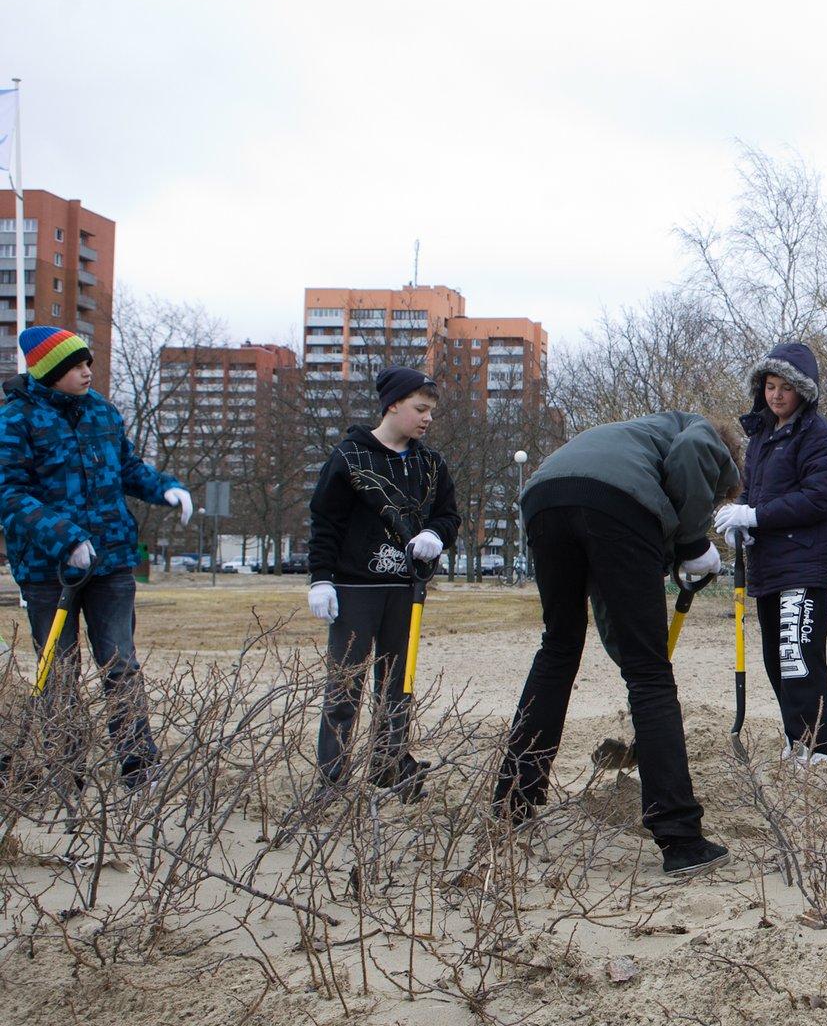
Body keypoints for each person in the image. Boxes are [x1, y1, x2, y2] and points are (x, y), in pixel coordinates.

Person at [495, 410, 737, 877]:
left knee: (559, 648)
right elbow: (694, 456)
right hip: (611, 506)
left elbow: (610, 602)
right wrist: (692, 543)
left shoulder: (632, 441)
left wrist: (632, 653)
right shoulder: (706, 435)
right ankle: (680, 838)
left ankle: (513, 803)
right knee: (651, 674)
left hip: (544, 500)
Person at [0, 327, 193, 785]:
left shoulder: (102, 412)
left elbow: (126, 467)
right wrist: (64, 537)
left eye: (88, 363)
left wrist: (164, 487)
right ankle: (66, 768)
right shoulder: (15, 420)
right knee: (59, 670)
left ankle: (138, 764)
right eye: (77, 366)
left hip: (110, 563)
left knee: (121, 664)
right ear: (50, 372)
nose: (88, 372)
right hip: (48, 570)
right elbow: (8, 492)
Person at [305, 367, 460, 795]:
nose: (427, 418)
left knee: (398, 686)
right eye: (420, 409)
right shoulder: (350, 458)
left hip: (407, 591)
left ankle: (389, 766)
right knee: (345, 688)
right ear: (393, 404)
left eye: (431, 411)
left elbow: (449, 515)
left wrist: (436, 534)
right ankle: (331, 780)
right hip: (356, 589)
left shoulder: (431, 464)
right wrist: (321, 579)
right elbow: (326, 521)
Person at [714, 342, 827, 766]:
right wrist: (740, 526)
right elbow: (751, 493)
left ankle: (817, 748)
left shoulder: (821, 438)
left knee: (799, 658)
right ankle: (796, 740)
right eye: (770, 386)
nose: (776, 395)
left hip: (804, 566)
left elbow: (818, 499)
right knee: (776, 659)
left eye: (785, 388)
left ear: (803, 392)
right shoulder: (761, 439)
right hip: (768, 566)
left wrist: (754, 515)